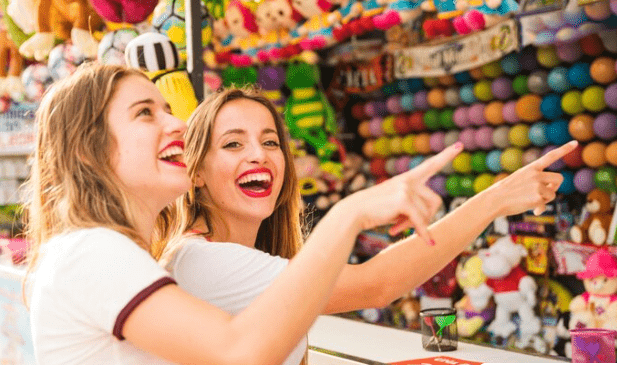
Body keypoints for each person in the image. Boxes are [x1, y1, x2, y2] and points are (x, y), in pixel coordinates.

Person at [24, 63, 464, 365]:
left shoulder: (101, 251)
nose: (176, 124)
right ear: (88, 147)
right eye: (145, 113)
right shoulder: (94, 251)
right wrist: (349, 215)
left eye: (271, 142)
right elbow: (241, 351)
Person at [166, 87, 577, 365]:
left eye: (270, 141)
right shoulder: (204, 261)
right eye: (233, 143)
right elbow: (377, 284)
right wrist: (496, 199)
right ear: (196, 171)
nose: (258, 154)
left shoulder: (230, 256)